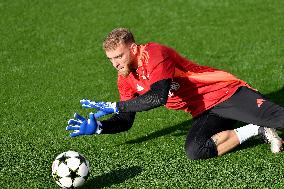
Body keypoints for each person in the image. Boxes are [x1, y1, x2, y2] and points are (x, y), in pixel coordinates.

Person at [66, 28, 284, 160]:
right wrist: (100, 128)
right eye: (110, 59)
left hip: (226, 93)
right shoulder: (125, 79)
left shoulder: (153, 54)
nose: (115, 64)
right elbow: (125, 120)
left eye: (119, 56)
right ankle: (257, 129)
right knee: (195, 150)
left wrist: (115, 106)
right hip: (204, 109)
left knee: (280, 117)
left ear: (132, 49)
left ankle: (264, 121)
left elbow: (158, 96)